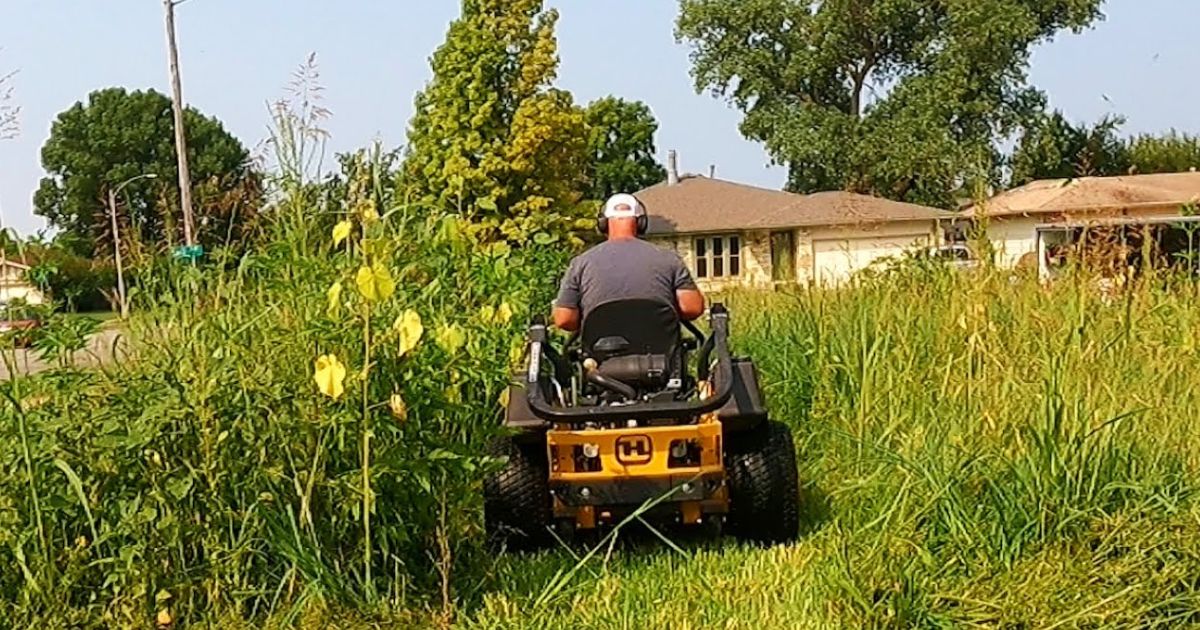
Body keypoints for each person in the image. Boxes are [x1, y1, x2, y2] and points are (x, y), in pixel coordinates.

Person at [552, 193, 705, 332]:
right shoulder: (669, 259)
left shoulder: (581, 263)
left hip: (601, 350)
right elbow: (692, 308)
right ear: (641, 222)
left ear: (603, 223)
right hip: (662, 350)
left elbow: (564, 319)